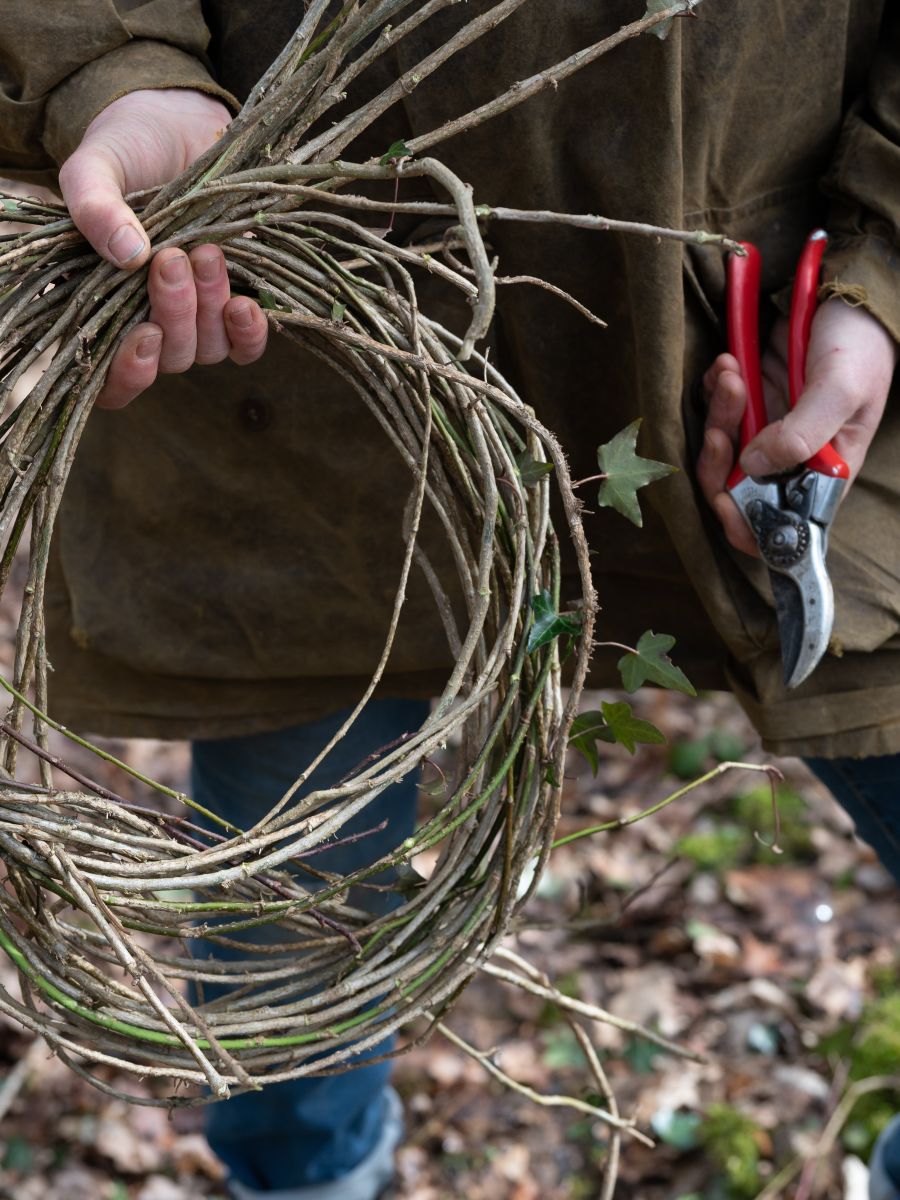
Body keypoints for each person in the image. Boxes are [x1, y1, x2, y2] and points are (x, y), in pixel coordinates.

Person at [0, 3, 898, 1197]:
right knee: (291, 930)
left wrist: (880, 272)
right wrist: (116, 69)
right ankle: (310, 1180)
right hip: (264, 329)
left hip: (761, 312)